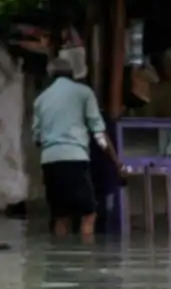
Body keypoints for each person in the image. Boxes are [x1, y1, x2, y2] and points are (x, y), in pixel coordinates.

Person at [34, 54, 117, 239]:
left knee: (60, 216)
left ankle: (59, 259)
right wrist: (114, 159)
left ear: (50, 75)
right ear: (72, 74)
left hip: (50, 161)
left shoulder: (40, 100)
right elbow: (98, 132)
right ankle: (85, 259)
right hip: (75, 159)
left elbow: (37, 138)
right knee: (88, 214)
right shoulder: (84, 93)